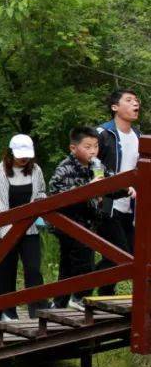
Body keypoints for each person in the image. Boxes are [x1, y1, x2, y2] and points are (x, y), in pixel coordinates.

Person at [50, 126, 122, 309]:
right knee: (84, 260)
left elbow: (111, 183)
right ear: (73, 148)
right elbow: (57, 198)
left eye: (96, 146)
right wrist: (89, 187)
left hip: (88, 221)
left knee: (67, 265)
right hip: (67, 222)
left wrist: (126, 188)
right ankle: (80, 297)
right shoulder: (64, 169)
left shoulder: (97, 165)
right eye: (87, 147)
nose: (93, 151)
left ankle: (59, 303)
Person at [0, 134, 47, 321]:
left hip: (30, 229)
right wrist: (11, 232)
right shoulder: (0, 172)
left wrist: (41, 202)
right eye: (20, 154)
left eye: (27, 154)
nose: (24, 158)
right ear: (11, 152)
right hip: (5, 230)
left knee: (33, 269)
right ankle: (6, 312)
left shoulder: (36, 170)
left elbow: (40, 192)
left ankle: (39, 311)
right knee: (5, 271)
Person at [95, 89, 141, 296]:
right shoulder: (103, 133)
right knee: (119, 254)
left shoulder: (139, 136)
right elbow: (93, 163)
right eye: (129, 100)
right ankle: (82, 289)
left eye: (136, 100)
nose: (135, 103)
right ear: (115, 107)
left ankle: (102, 297)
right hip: (107, 203)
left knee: (127, 255)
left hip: (130, 207)